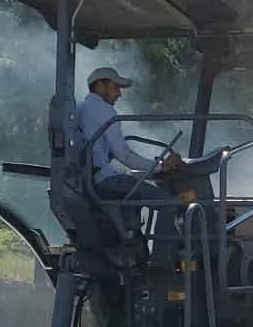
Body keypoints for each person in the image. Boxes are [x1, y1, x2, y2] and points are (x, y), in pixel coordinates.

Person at [76, 65, 187, 265]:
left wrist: (149, 167)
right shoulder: (104, 110)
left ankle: (136, 254)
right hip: (105, 181)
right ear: (100, 86)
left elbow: (111, 154)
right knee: (171, 203)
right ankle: (164, 265)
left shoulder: (82, 109)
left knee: (133, 200)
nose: (119, 93)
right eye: (115, 87)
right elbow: (124, 155)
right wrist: (161, 167)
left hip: (93, 180)